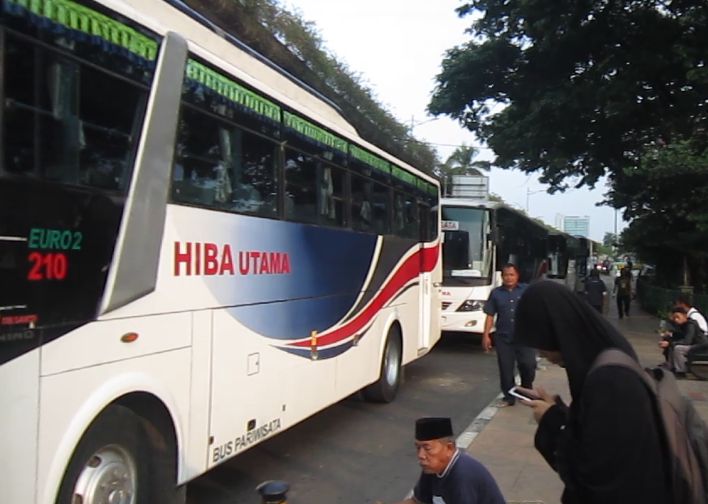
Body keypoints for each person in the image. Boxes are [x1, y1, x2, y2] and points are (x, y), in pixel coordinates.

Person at [513, 281, 671, 503]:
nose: (540, 351)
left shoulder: (610, 381)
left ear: (556, 329)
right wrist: (558, 412)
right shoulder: (607, 362)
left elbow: (593, 474)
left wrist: (550, 420)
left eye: (541, 340)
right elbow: (597, 434)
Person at [392, 417, 505, 504]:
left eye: (427, 448)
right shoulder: (432, 468)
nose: (421, 455)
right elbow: (418, 502)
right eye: (418, 448)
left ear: (449, 448)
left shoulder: (462, 476)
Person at [482, 263, 536, 407]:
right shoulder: (496, 293)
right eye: (506, 275)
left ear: (517, 276)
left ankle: (526, 390)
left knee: (528, 365)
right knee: (506, 369)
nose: (509, 278)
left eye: (512, 275)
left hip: (525, 337)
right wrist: (486, 335)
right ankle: (509, 397)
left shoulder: (526, 290)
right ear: (502, 277)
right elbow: (489, 315)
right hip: (503, 337)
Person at [659, 306, 707, 377]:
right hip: (695, 343)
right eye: (674, 317)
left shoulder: (690, 324)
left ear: (685, 315)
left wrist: (670, 343)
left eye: (678, 317)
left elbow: (687, 341)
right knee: (672, 343)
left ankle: (681, 371)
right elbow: (681, 335)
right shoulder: (683, 324)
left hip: (700, 345)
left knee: (678, 349)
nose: (676, 319)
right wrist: (670, 335)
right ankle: (671, 366)